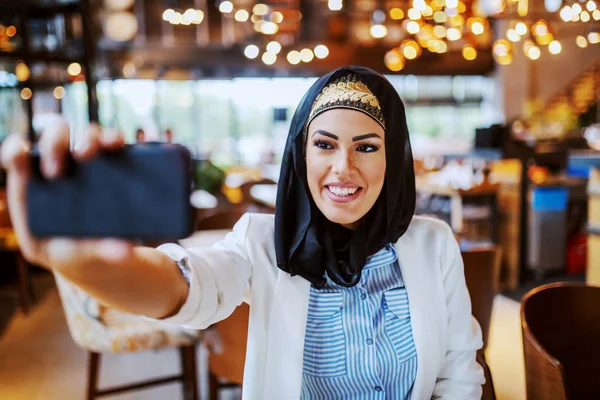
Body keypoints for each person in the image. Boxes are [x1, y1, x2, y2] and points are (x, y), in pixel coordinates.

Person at [1, 66, 484, 399]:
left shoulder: (433, 244)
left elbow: (460, 372)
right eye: (324, 144)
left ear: (393, 157)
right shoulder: (260, 241)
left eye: (366, 147)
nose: (343, 167)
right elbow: (192, 287)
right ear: (301, 154)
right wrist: (88, 264)